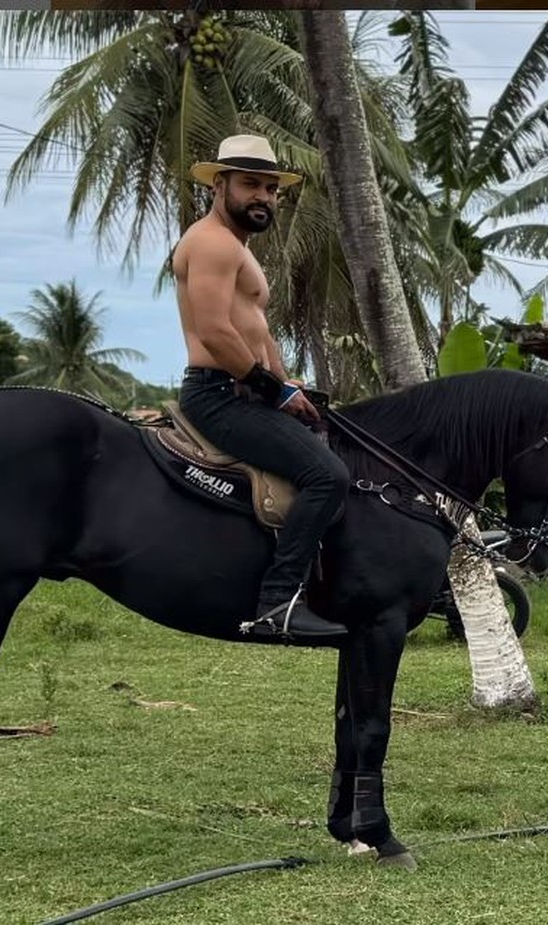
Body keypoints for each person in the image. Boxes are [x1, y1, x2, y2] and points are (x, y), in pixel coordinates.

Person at [173, 134, 350, 641]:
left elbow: (255, 329)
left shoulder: (236, 248)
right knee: (327, 477)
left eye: (271, 189)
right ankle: (278, 604)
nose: (263, 197)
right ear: (219, 185)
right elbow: (214, 331)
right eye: (251, 185)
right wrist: (274, 390)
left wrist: (287, 380)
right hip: (218, 395)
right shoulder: (210, 242)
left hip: (246, 390)